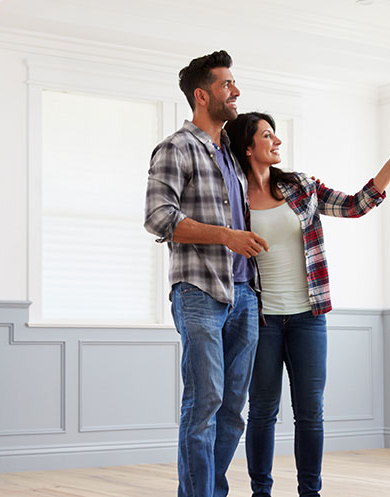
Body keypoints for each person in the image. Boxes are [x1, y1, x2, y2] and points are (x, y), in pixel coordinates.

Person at [224, 111, 390, 497]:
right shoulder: (232, 197)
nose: (277, 141)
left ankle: (309, 493)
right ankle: (260, 492)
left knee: (310, 413)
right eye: (267, 136)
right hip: (260, 319)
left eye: (276, 134)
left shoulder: (300, 186)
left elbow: (354, 205)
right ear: (248, 148)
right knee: (262, 412)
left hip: (308, 317)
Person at [143, 50, 269, 497]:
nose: (236, 91)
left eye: (235, 84)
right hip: (199, 291)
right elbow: (158, 217)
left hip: (244, 294)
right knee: (204, 403)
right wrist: (226, 236)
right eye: (226, 85)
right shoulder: (176, 148)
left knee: (233, 408)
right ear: (202, 95)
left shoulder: (232, 157)